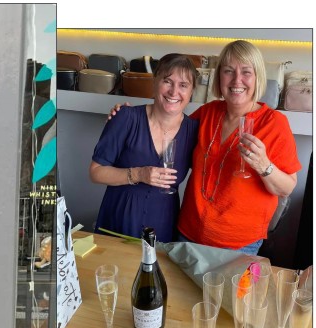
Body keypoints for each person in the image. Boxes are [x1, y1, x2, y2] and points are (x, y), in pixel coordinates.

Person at [112, 41, 301, 254]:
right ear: (219, 77)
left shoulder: (274, 123)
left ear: (257, 77)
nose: (237, 80)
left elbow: (286, 188)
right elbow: (169, 126)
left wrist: (264, 166)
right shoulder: (208, 112)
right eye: (228, 71)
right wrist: (129, 115)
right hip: (187, 234)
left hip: (239, 246)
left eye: (246, 72)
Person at [89, 54, 200, 243]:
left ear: (191, 92)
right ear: (155, 82)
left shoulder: (195, 131)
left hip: (164, 226)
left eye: (183, 85)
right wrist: (139, 174)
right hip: (119, 223)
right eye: (167, 81)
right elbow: (95, 172)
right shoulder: (126, 118)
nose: (174, 92)